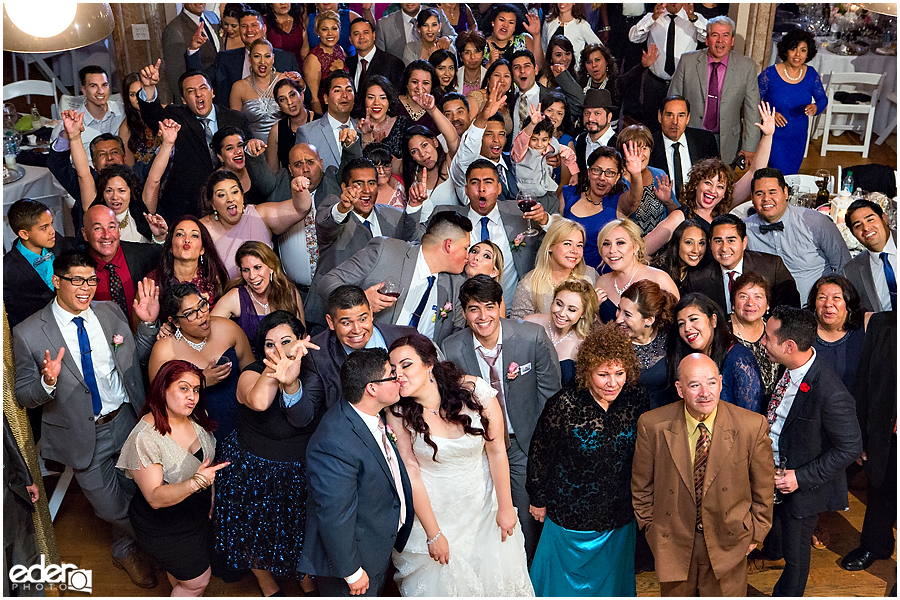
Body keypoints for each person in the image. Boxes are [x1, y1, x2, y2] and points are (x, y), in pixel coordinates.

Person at [13, 250, 160, 589]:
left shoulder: (108, 312)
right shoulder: (29, 333)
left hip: (125, 420)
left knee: (138, 488)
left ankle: (125, 550)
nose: (86, 288)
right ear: (56, 281)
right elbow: (22, 395)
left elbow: (133, 359)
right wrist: (46, 382)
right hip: (81, 434)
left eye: (91, 280)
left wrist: (148, 325)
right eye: (76, 280)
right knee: (110, 506)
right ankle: (158, 542)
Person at [386, 334, 534, 595]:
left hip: (485, 508)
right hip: (435, 515)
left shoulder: (473, 390)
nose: (399, 374)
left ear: (429, 363)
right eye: (393, 368)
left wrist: (505, 506)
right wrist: (433, 534)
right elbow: (412, 473)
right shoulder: (398, 411)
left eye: (406, 365)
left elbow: (497, 449)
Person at [441, 275, 562, 565]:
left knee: (523, 518)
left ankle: (528, 578)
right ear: (464, 313)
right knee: (482, 520)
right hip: (477, 449)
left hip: (523, 444)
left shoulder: (531, 337)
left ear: (501, 306)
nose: (483, 317)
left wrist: (543, 451)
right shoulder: (451, 348)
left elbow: (551, 399)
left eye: (489, 307)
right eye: (473, 309)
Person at [632, 352, 774, 596]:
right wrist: (651, 529)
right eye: (694, 385)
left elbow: (763, 487)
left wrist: (755, 533)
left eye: (710, 382)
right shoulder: (652, 425)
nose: (705, 392)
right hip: (673, 542)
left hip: (728, 541)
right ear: (679, 389)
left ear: (720, 383)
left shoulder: (752, 425)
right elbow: (641, 486)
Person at [528, 321, 646, 596]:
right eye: (603, 374)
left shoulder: (636, 399)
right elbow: (540, 454)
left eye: (620, 373)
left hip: (617, 514)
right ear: (587, 371)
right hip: (569, 516)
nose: (613, 382)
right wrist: (538, 499)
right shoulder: (563, 404)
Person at [756, 306, 863, 596]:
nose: (762, 342)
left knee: (796, 558)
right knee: (779, 539)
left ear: (789, 346)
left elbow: (850, 446)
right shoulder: (790, 367)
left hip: (803, 492)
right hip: (776, 480)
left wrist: (800, 477)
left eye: (767, 338)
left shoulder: (830, 391)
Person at [214, 311, 319, 596]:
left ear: (301, 341)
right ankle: (265, 581)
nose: (278, 350)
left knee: (297, 530)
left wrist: (292, 373)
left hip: (298, 471)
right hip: (252, 468)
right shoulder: (251, 372)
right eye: (270, 344)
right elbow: (259, 402)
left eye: (286, 341)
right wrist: (277, 368)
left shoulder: (313, 372)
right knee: (253, 528)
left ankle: (304, 576)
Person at [298, 347, 415, 596]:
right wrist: (352, 571)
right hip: (354, 562)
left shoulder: (367, 416)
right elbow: (334, 514)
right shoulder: (334, 441)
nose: (399, 379)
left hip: (375, 548)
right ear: (371, 388)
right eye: (392, 375)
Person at [116, 360, 224, 596]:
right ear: (162, 389)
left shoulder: (195, 417)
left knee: (181, 577)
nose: (192, 396)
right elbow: (154, 497)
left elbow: (208, 464)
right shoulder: (144, 438)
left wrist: (211, 499)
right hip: (164, 524)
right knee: (198, 581)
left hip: (194, 515)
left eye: (196, 389)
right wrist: (196, 483)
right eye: (183, 388)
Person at [316, 211, 472, 345]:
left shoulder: (455, 284)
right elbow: (327, 282)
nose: (468, 256)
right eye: (466, 248)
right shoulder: (386, 251)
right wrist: (360, 301)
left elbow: (455, 340)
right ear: (448, 245)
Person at [645, 101, 777, 254]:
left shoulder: (722, 210)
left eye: (720, 186)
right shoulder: (679, 217)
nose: (713, 191)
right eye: (708, 183)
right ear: (695, 184)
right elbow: (643, 250)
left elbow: (754, 173)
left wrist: (768, 136)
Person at [137, 61, 253, 222]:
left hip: (230, 202)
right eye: (191, 91)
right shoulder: (176, 116)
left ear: (212, 92)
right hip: (186, 204)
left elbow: (248, 152)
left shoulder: (235, 119)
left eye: (203, 88)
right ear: (183, 99)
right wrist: (149, 88)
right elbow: (153, 117)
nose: (198, 94)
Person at [428, 160, 549, 306]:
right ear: (466, 189)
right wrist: (413, 208)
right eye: (474, 183)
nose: (481, 189)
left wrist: (544, 221)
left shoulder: (520, 212)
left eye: (488, 182)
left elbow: (553, 242)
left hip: (515, 310)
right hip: (462, 311)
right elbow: (415, 242)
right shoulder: (447, 218)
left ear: (499, 188)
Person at [149, 282, 254, 442]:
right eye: (190, 313)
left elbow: (252, 370)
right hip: (197, 432)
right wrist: (201, 382)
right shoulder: (164, 349)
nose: (201, 315)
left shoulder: (228, 328)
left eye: (202, 306)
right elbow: (159, 400)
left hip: (243, 422)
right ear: (175, 322)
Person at [294, 285, 416, 419]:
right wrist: (290, 385)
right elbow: (303, 418)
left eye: (363, 319)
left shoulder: (405, 336)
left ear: (371, 313)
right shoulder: (317, 354)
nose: (357, 330)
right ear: (331, 322)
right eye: (346, 323)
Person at [841, 311, 897, 572]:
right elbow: (864, 381)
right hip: (886, 430)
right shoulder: (881, 323)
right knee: (881, 487)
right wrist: (860, 436)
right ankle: (877, 544)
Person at [744, 168, 851, 304]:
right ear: (752, 198)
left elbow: (844, 266)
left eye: (772, 192)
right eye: (759, 194)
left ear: (785, 193)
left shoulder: (816, 222)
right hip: (769, 310)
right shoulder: (744, 230)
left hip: (816, 308)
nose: (766, 198)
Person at [66, 110, 174, 244]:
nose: (115, 197)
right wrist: (74, 137)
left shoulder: (142, 210)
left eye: (121, 190)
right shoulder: (95, 207)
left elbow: (154, 179)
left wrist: (168, 143)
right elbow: (83, 174)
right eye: (109, 191)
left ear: (130, 191)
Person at [670, 16, 762, 166]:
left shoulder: (746, 67)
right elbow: (673, 101)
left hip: (727, 141)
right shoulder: (687, 61)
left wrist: (750, 146)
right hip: (691, 135)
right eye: (715, 35)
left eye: (725, 35)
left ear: (732, 40)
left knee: (722, 184)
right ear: (707, 40)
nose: (720, 40)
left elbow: (752, 109)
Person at [199, 169, 313, 279]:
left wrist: (299, 190)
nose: (230, 199)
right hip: (231, 297)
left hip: (271, 294)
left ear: (242, 195)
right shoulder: (201, 229)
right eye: (221, 195)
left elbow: (300, 209)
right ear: (212, 204)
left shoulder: (260, 215)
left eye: (234, 192)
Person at [685, 213, 801, 314]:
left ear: (744, 242)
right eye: (718, 241)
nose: (724, 248)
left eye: (731, 240)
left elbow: (791, 312)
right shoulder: (697, 279)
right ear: (710, 244)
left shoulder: (772, 267)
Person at [184, 9, 302, 107]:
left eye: (254, 25)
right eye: (244, 26)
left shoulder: (286, 59)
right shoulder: (225, 59)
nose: (249, 30)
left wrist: (302, 85)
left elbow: (305, 97)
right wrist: (193, 50)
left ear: (264, 28)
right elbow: (198, 80)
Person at [669, 293, 763, 412]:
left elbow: (750, 416)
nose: (687, 328)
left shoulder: (739, 358)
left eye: (693, 319)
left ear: (713, 320)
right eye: (681, 324)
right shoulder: (684, 358)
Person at [211, 241, 305, 352]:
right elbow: (208, 330)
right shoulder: (236, 297)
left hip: (287, 362)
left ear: (271, 267)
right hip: (251, 366)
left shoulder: (289, 292)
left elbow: (302, 336)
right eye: (246, 270)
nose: (252, 276)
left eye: (257, 267)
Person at [758, 27, 827, 174]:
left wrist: (816, 107)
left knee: (790, 176)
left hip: (798, 137)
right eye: (793, 49)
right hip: (773, 137)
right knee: (776, 175)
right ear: (785, 50)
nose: (797, 55)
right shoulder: (769, 74)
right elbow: (753, 101)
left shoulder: (811, 74)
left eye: (802, 50)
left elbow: (822, 99)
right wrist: (771, 114)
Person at [628, 4, 707, 132]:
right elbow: (633, 37)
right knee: (652, 127)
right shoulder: (653, 17)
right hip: (655, 83)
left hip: (683, 85)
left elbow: (709, 37)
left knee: (679, 128)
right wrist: (652, 18)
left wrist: (694, 19)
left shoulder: (694, 18)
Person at [3, 199, 80, 329]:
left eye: (51, 224)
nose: (52, 231)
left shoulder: (59, 243)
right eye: (44, 228)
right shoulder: (8, 270)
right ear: (24, 234)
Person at [559, 148, 640, 272]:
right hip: (569, 273)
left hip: (604, 278)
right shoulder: (569, 194)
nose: (602, 177)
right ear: (589, 172)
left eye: (609, 173)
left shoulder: (619, 202)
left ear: (617, 177)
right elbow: (556, 235)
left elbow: (635, 198)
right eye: (597, 170)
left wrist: (636, 175)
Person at [81, 206, 163, 320]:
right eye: (98, 229)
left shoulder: (143, 255)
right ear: (85, 234)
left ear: (119, 230)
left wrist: (161, 237)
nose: (107, 235)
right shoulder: (78, 268)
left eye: (111, 227)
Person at [511, 217, 598, 318]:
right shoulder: (528, 286)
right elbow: (518, 327)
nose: (575, 250)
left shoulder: (591, 275)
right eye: (567, 244)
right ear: (550, 246)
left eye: (579, 245)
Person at [524, 278, 599, 387]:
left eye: (571, 310)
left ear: (583, 313)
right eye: (559, 304)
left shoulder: (584, 344)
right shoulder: (530, 324)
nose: (562, 313)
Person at [595, 218, 680, 313]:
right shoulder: (602, 282)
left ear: (636, 247)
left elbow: (677, 320)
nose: (612, 250)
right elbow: (598, 324)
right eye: (606, 244)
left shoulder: (659, 279)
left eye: (620, 243)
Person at [617, 280, 677, 410]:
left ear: (649, 320)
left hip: (666, 419)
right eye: (618, 309)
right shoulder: (612, 342)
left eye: (627, 314)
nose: (618, 319)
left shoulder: (671, 338)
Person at [648, 95, 720, 204]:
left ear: (688, 118)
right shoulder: (649, 146)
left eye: (681, 115)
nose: (675, 122)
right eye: (669, 115)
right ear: (660, 116)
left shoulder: (705, 140)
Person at [49, 66, 125, 164]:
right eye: (93, 86)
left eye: (104, 85)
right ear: (84, 90)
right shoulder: (71, 123)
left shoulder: (122, 111)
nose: (100, 91)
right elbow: (57, 163)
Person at [148, 216, 229, 308]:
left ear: (202, 249)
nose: (187, 240)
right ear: (170, 247)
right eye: (180, 234)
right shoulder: (153, 283)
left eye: (194, 235)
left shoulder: (214, 281)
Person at [808, 275, 870, 392]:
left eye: (836, 298)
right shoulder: (803, 331)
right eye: (822, 297)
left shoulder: (866, 326)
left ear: (848, 303)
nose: (828, 304)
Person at [510, 109, 577, 215]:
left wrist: (574, 174)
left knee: (552, 225)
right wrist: (532, 124)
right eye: (534, 139)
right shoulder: (521, 152)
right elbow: (521, 141)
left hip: (549, 196)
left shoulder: (552, 147)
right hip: (527, 198)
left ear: (550, 139)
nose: (539, 144)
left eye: (544, 140)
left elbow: (569, 153)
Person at [617, 124, 676, 236]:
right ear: (624, 152)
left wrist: (668, 201)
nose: (640, 154)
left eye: (644, 148)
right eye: (634, 148)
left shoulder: (659, 174)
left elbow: (677, 214)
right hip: (631, 244)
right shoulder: (618, 180)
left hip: (663, 244)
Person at [729, 272, 782, 397]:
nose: (750, 303)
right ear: (733, 303)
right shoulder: (721, 333)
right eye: (743, 297)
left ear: (768, 304)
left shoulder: (776, 330)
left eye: (758, 297)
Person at [295, 69, 357, 172]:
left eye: (349, 90)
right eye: (337, 90)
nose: (344, 95)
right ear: (326, 98)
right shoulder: (307, 133)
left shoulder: (362, 129)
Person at [842, 198, 897, 312]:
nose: (866, 228)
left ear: (884, 218)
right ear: (854, 234)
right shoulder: (852, 271)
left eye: (870, 220)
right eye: (858, 226)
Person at [162, 3, 221, 103]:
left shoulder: (213, 16)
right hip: (199, 100)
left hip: (221, 95)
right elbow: (177, 77)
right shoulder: (173, 30)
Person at [230, 38, 287, 141]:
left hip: (284, 143)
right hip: (254, 149)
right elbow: (235, 127)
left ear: (273, 58)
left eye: (267, 56)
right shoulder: (239, 87)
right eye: (257, 56)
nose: (262, 61)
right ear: (250, 58)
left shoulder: (284, 81)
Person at [266, 78, 320, 173]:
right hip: (290, 185)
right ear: (280, 106)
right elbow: (273, 173)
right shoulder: (276, 131)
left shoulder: (320, 121)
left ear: (302, 96)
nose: (289, 102)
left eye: (292, 95)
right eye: (282, 99)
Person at [375, 2, 457, 62]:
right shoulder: (384, 25)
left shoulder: (437, 13)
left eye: (433, 25)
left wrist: (447, 38)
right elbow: (379, 59)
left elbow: (454, 36)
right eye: (425, 25)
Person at [355, 76, 412, 161]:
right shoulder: (355, 124)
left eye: (382, 98)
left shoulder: (402, 124)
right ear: (364, 100)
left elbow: (408, 163)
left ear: (389, 100)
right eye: (371, 97)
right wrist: (366, 137)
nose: (376, 103)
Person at [118, 72, 160, 179]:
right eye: (132, 95)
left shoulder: (164, 112)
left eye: (141, 92)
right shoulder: (126, 127)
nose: (138, 98)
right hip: (144, 179)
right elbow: (129, 168)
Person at [347, 17, 405, 92]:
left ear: (374, 36)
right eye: (356, 34)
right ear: (350, 40)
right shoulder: (348, 64)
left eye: (366, 32)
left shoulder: (393, 64)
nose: (361, 37)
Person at [304, 10, 346, 113]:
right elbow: (314, 99)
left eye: (334, 28)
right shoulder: (313, 58)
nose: (330, 34)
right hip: (326, 113)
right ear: (317, 32)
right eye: (324, 29)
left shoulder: (340, 49)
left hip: (343, 108)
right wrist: (323, 123)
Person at [653, 218, 709, 295]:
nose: (696, 250)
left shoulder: (701, 272)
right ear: (677, 243)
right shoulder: (659, 272)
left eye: (701, 243)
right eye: (689, 242)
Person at [464, 59, 514, 138]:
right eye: (497, 75)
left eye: (506, 76)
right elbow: (465, 130)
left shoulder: (511, 102)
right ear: (488, 79)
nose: (502, 80)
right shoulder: (476, 97)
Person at [482, 4, 543, 68]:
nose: (505, 25)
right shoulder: (481, 45)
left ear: (515, 28)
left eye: (511, 22)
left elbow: (537, 66)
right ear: (493, 22)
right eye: (502, 20)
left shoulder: (525, 39)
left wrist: (536, 35)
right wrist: (489, 65)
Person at [541, 4, 601, 70]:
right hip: (552, 73)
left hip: (574, 74)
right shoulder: (549, 22)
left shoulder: (581, 25)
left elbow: (599, 47)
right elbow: (544, 48)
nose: (562, 3)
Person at [573, 89, 616, 177]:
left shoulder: (619, 144)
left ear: (609, 117)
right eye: (587, 113)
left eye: (597, 113)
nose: (590, 119)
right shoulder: (580, 140)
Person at [397, 60, 444, 134]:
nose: (419, 87)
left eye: (425, 83)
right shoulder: (393, 104)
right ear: (406, 83)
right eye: (414, 82)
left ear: (432, 86)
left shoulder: (439, 108)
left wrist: (433, 110)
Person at [265, 3, 307, 68]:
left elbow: (305, 53)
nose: (283, 3)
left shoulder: (299, 21)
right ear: (270, 4)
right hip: (275, 69)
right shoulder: (265, 23)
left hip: (298, 70)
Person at [456, 30, 488, 96]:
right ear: (460, 55)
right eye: (467, 52)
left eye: (477, 51)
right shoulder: (454, 77)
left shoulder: (489, 77)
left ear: (483, 53)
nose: (472, 57)